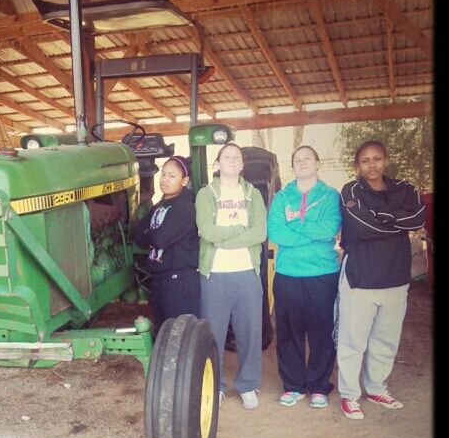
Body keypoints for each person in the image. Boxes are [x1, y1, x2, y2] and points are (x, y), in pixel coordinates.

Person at [336, 140, 427, 420]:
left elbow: (417, 219)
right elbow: (359, 226)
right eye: (365, 161)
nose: (371, 165)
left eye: (377, 159)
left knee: (385, 339)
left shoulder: (404, 188)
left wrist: (380, 219)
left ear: (385, 161)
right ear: (357, 165)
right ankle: (349, 395)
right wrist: (395, 222)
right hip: (360, 278)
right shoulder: (351, 190)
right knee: (353, 340)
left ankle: (376, 387)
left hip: (396, 277)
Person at [267, 145, 341, 408]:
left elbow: (330, 227)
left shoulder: (330, 195)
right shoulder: (281, 197)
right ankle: (294, 386)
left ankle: (319, 386)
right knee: (289, 332)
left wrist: (296, 225)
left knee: (321, 331)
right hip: (288, 274)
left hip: (322, 273)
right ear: (293, 166)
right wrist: (309, 231)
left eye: (307, 158)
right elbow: (275, 231)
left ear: (317, 162)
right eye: (297, 160)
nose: (302, 163)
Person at [196, 141, 267, 409]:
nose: (232, 160)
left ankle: (248, 384)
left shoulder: (253, 194)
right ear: (217, 164)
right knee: (213, 333)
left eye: (236, 157)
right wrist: (239, 231)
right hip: (215, 274)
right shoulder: (206, 194)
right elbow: (207, 231)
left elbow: (259, 233)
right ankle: (216, 384)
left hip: (246, 272)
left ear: (242, 164)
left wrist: (225, 239)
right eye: (226, 156)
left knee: (249, 331)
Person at [133, 155, 200, 334]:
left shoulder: (185, 207)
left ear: (184, 181)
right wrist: (151, 235)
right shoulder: (160, 206)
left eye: (172, 176)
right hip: (160, 280)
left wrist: (151, 234)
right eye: (163, 175)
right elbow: (138, 235)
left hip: (179, 282)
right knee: (163, 333)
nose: (165, 180)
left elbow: (159, 239)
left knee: (179, 336)